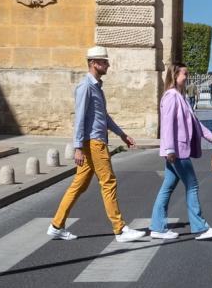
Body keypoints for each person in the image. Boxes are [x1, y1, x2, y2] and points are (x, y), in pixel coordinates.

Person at [47, 46, 144, 243]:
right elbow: (80, 118)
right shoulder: (86, 87)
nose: (108, 64)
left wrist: (122, 135)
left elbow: (103, 117)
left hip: (94, 141)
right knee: (108, 182)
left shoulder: (97, 87)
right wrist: (77, 147)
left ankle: (56, 225)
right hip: (93, 142)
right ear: (93, 63)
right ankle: (120, 229)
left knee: (79, 185)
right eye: (104, 61)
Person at [150, 62, 212, 241]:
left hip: (177, 150)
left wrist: (211, 138)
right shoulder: (171, 97)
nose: (187, 77)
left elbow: (196, 123)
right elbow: (167, 126)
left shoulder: (181, 97)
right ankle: (200, 228)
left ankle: (157, 227)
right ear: (175, 76)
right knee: (193, 185)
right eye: (185, 74)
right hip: (177, 151)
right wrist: (169, 149)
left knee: (167, 187)